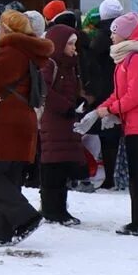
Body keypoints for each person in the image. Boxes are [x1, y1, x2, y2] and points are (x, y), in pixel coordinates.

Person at [0, 10, 53, 246]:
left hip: (4, 123)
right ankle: (1, 232)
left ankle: (26, 217)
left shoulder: (10, 54)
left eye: (0, 27)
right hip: (21, 121)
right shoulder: (28, 53)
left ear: (7, 30)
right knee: (8, 176)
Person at [95, 12, 138, 236]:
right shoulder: (125, 60)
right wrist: (99, 110)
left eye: (115, 33)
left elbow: (135, 96)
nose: (111, 38)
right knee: (136, 173)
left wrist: (110, 110)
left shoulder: (136, 60)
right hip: (134, 123)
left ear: (126, 35)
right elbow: (118, 93)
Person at [39, 25, 86, 226]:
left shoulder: (70, 65)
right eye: (70, 44)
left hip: (67, 122)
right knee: (53, 168)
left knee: (62, 167)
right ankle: (52, 210)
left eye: (74, 44)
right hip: (54, 122)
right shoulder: (50, 64)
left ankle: (59, 209)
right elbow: (45, 91)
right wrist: (66, 107)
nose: (73, 48)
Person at [87, 0, 125, 190]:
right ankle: (117, 174)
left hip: (105, 91)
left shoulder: (100, 37)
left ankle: (110, 177)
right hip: (122, 89)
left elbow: (93, 66)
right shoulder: (126, 34)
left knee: (108, 136)